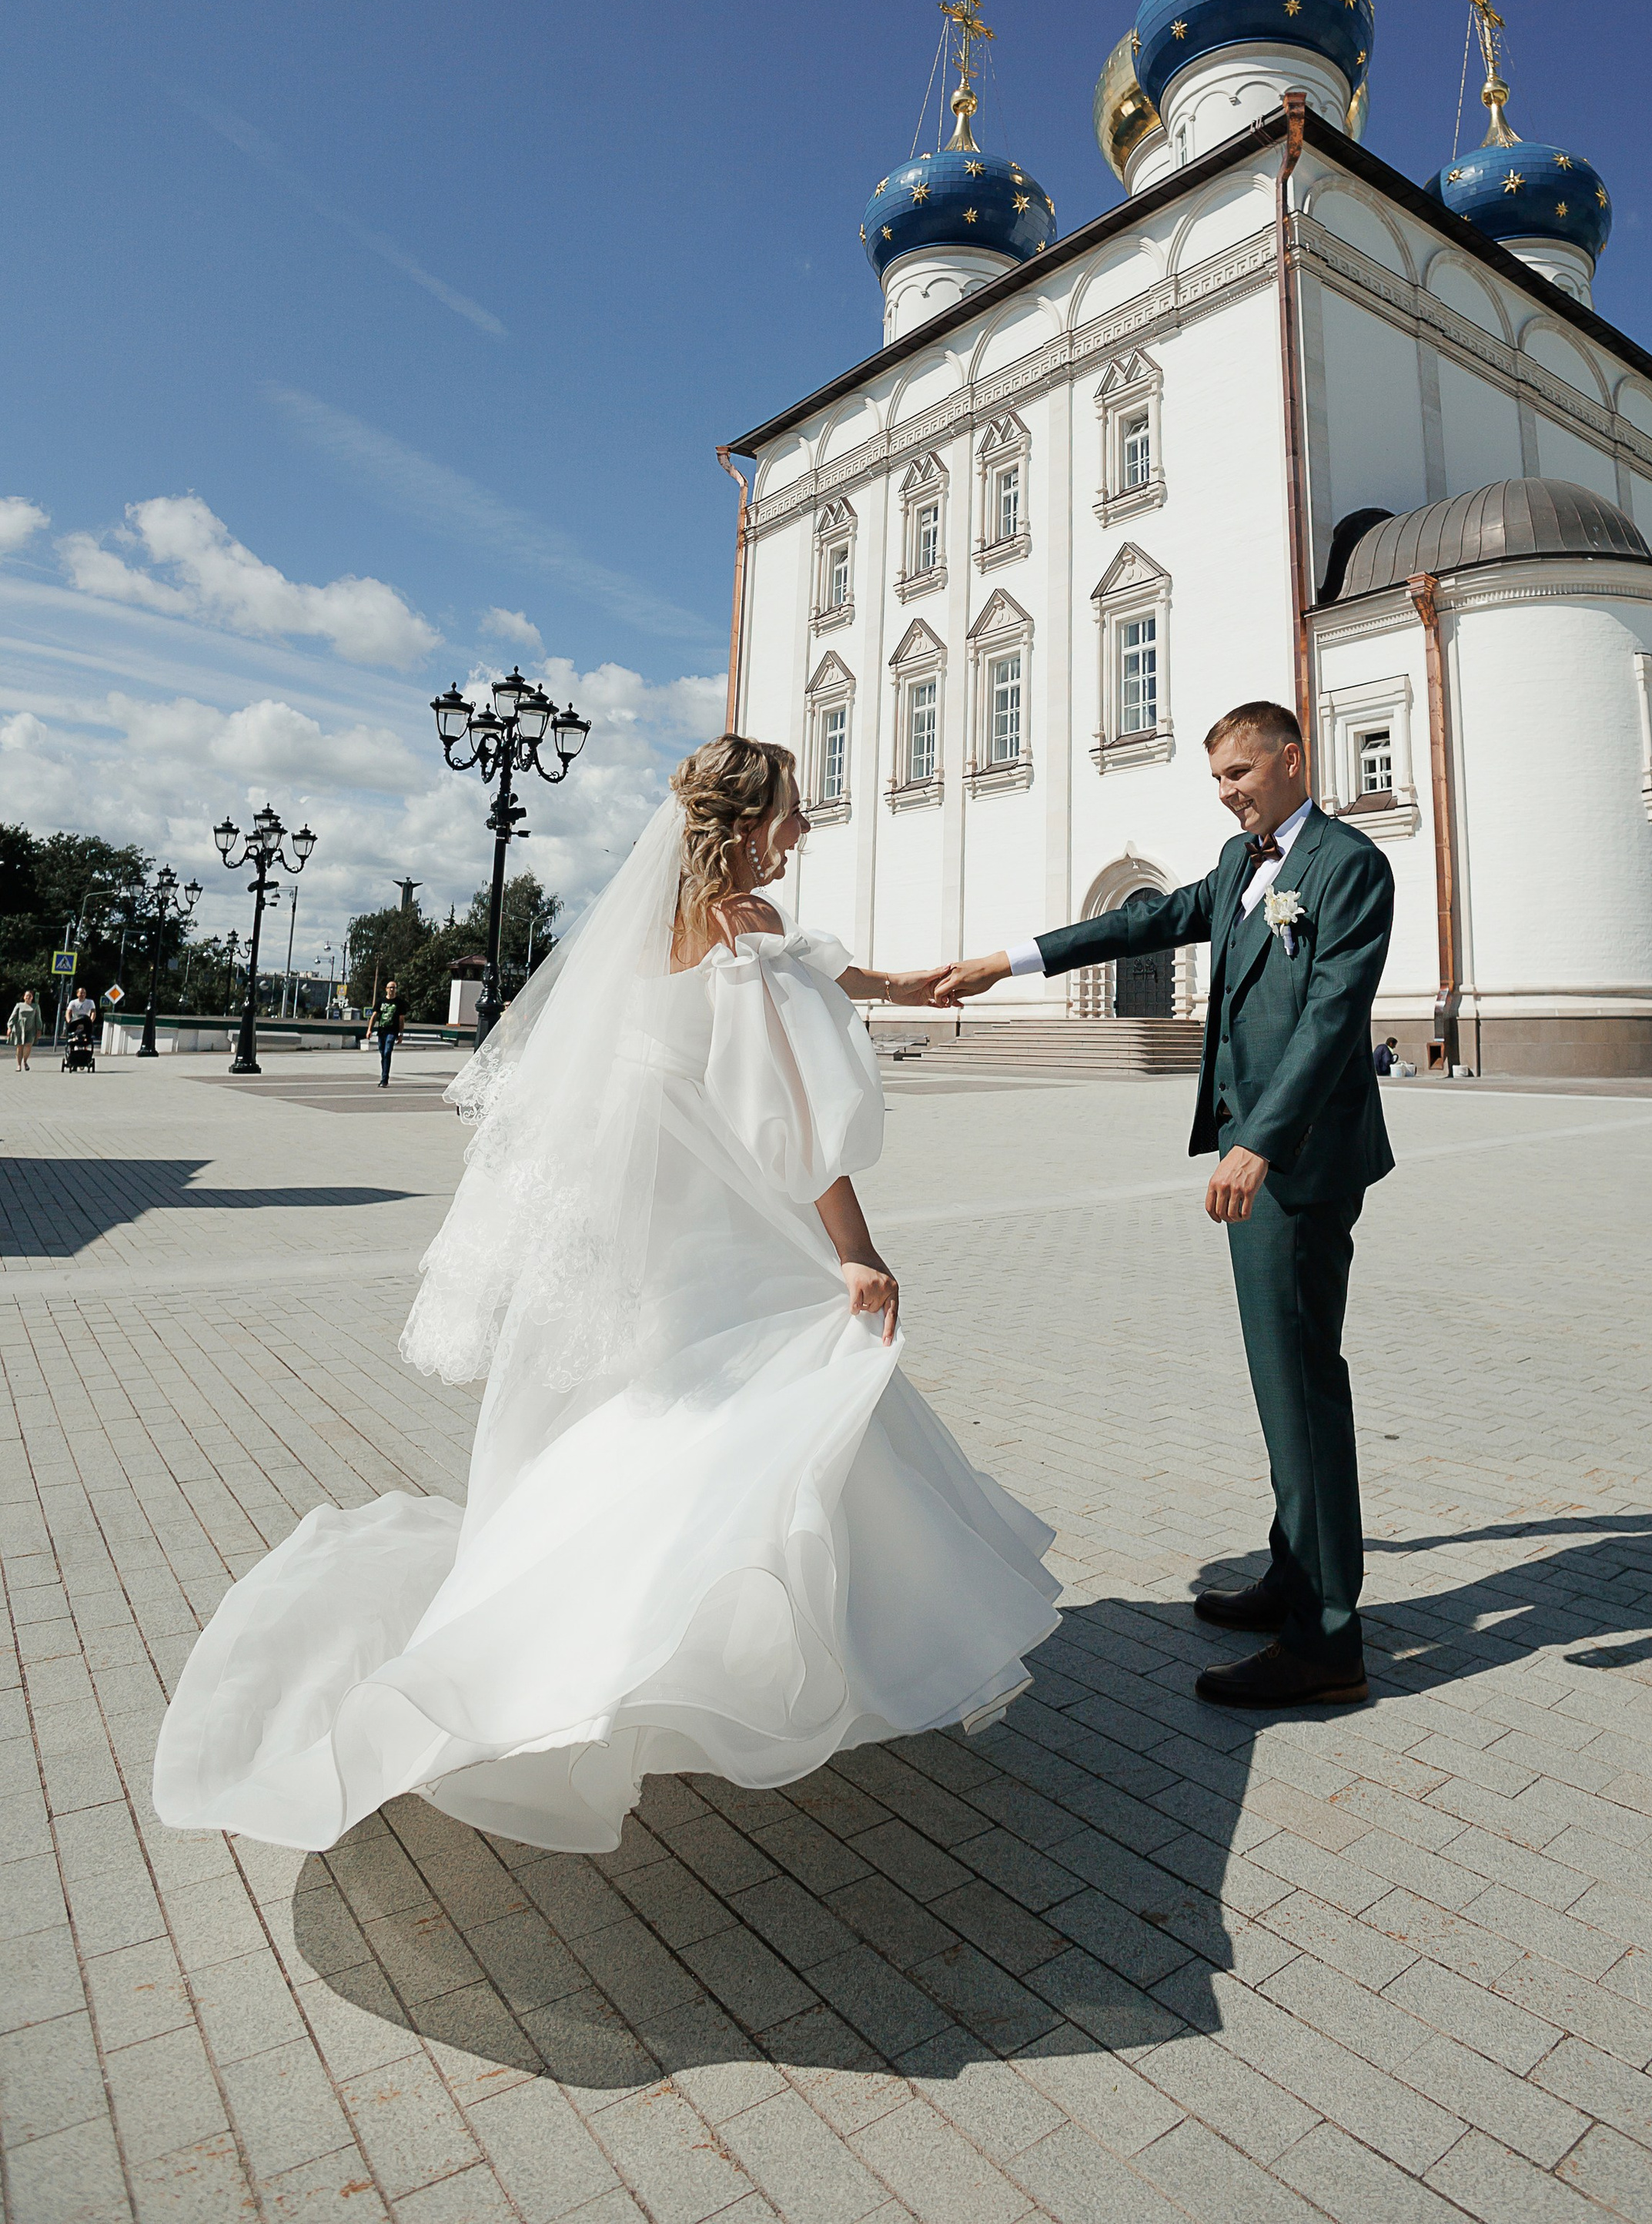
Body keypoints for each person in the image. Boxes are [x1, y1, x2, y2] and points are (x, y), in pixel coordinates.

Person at [153, 733, 1059, 1854]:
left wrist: (899, 980)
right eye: (791, 809)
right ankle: (718, 1641)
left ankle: (591, 1620)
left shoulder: (652, 929)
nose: (803, 828)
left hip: (645, 1229)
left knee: (648, 1410)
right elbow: (802, 1110)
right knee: (778, 1401)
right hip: (731, 1223)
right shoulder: (748, 929)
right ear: (741, 827)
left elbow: (800, 979)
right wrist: (856, 1252)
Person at [934, 699, 1393, 1713]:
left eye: (1241, 773)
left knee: (1302, 1378)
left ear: (1291, 757)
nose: (1229, 793)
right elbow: (1144, 920)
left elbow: (1330, 1015)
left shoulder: (1349, 865)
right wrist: (1008, 962)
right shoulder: (1240, 867)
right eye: (1217, 779)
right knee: (1282, 1375)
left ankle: (1328, 1641)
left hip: (1299, 1162)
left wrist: (1260, 1143)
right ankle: (1293, 1571)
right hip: (1264, 1152)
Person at [367, 978, 404, 1086]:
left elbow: (401, 1019)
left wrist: (401, 1034)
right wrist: (369, 1029)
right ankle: (384, 1076)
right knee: (383, 1055)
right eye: (390, 987)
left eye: (394, 987)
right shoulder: (381, 1002)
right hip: (381, 1032)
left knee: (387, 1052)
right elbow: (374, 1016)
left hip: (392, 1032)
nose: (392, 989)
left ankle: (384, 1079)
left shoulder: (399, 1003)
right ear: (386, 989)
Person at [8, 989, 39, 1070]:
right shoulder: (19, 1005)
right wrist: (10, 1027)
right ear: (24, 997)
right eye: (27, 996)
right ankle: (19, 1065)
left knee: (29, 1045)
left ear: (32, 997)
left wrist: (39, 1029)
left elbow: (38, 1019)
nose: (28, 997)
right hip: (20, 1028)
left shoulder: (35, 1006)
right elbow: (13, 1016)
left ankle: (25, 1062)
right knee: (20, 1046)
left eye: (30, 996)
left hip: (31, 1029)